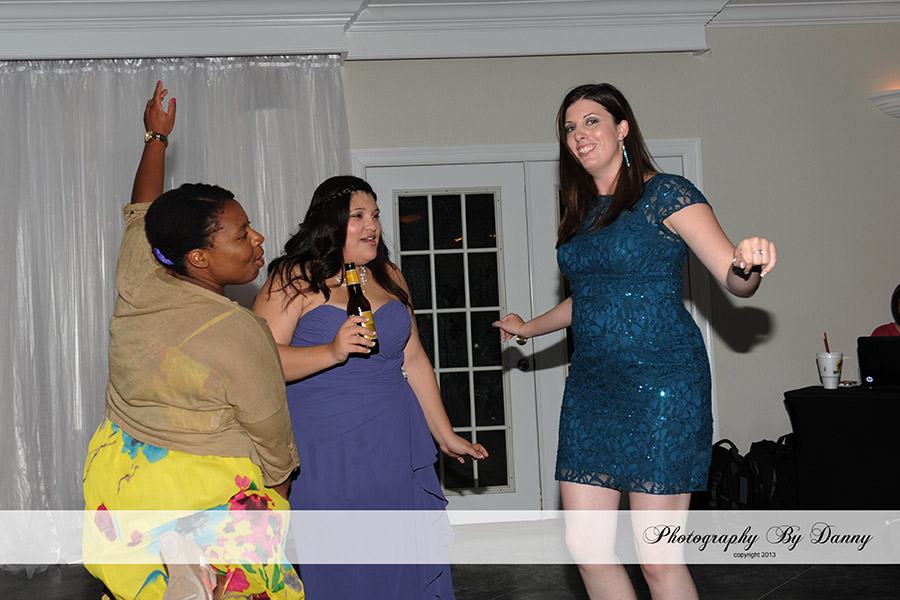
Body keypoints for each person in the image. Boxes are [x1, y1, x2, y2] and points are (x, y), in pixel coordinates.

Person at [493, 83, 777, 600]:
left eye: (592, 121)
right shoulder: (581, 212)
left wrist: (748, 263)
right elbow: (592, 296)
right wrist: (529, 327)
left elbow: (734, 279)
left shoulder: (667, 193)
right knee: (588, 549)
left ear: (622, 129)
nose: (579, 135)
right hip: (592, 387)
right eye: (570, 127)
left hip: (664, 385)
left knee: (657, 560)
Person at [82, 82, 304, 600]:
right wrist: (271, 521)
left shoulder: (141, 274)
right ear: (199, 257)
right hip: (208, 491)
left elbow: (142, 209)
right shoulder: (239, 332)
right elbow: (273, 443)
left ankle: (183, 575)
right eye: (242, 234)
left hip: (128, 480)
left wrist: (155, 138)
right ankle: (204, 570)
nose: (258, 239)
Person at [252, 175, 488, 599]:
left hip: (393, 441)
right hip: (326, 446)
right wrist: (331, 350)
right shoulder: (294, 278)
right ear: (330, 222)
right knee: (341, 557)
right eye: (358, 216)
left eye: (375, 215)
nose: (372, 226)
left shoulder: (388, 275)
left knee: (398, 553)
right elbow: (261, 363)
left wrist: (445, 433)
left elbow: (414, 359)